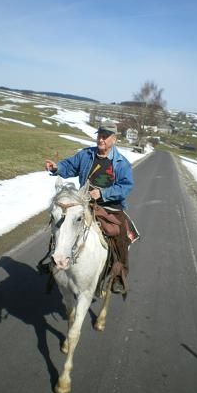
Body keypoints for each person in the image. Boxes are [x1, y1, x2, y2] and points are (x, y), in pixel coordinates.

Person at [45, 121, 134, 294]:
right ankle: (54, 261)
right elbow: (69, 166)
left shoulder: (122, 163)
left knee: (121, 233)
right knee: (60, 223)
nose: (101, 139)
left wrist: (103, 194)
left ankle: (118, 276)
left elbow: (126, 187)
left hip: (110, 206)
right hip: (84, 202)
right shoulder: (86, 155)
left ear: (114, 139)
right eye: (99, 135)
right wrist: (57, 168)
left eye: (105, 136)